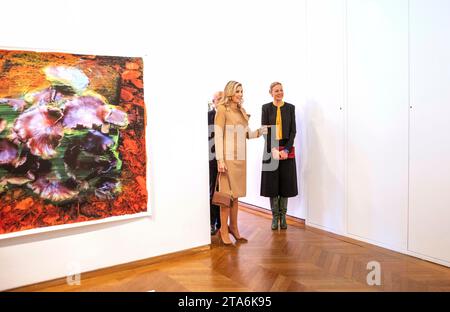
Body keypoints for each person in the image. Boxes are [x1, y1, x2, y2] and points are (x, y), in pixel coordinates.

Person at [214, 81, 266, 245]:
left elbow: (246, 134)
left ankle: (234, 228)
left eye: (242, 91)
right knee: (226, 196)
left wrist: (261, 131)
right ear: (230, 92)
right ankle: (223, 230)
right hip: (227, 158)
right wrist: (220, 159)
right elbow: (218, 135)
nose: (241, 94)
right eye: (238, 91)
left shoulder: (240, 111)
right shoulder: (223, 110)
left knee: (236, 196)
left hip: (240, 158)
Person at [260, 82, 298, 230]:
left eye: (281, 90)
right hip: (271, 150)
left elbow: (293, 131)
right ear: (271, 93)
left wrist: (286, 150)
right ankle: (275, 217)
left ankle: (283, 217)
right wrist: (273, 149)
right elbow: (264, 130)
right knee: (272, 185)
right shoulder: (265, 108)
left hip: (286, 150)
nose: (279, 92)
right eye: (276, 91)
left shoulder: (290, 108)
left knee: (286, 183)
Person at [208, 91, 223, 235]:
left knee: (223, 192)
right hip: (212, 159)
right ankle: (212, 222)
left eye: (221, 98)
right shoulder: (208, 116)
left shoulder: (227, 116)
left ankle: (222, 223)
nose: (218, 101)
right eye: (216, 99)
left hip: (226, 159)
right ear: (213, 102)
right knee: (213, 191)